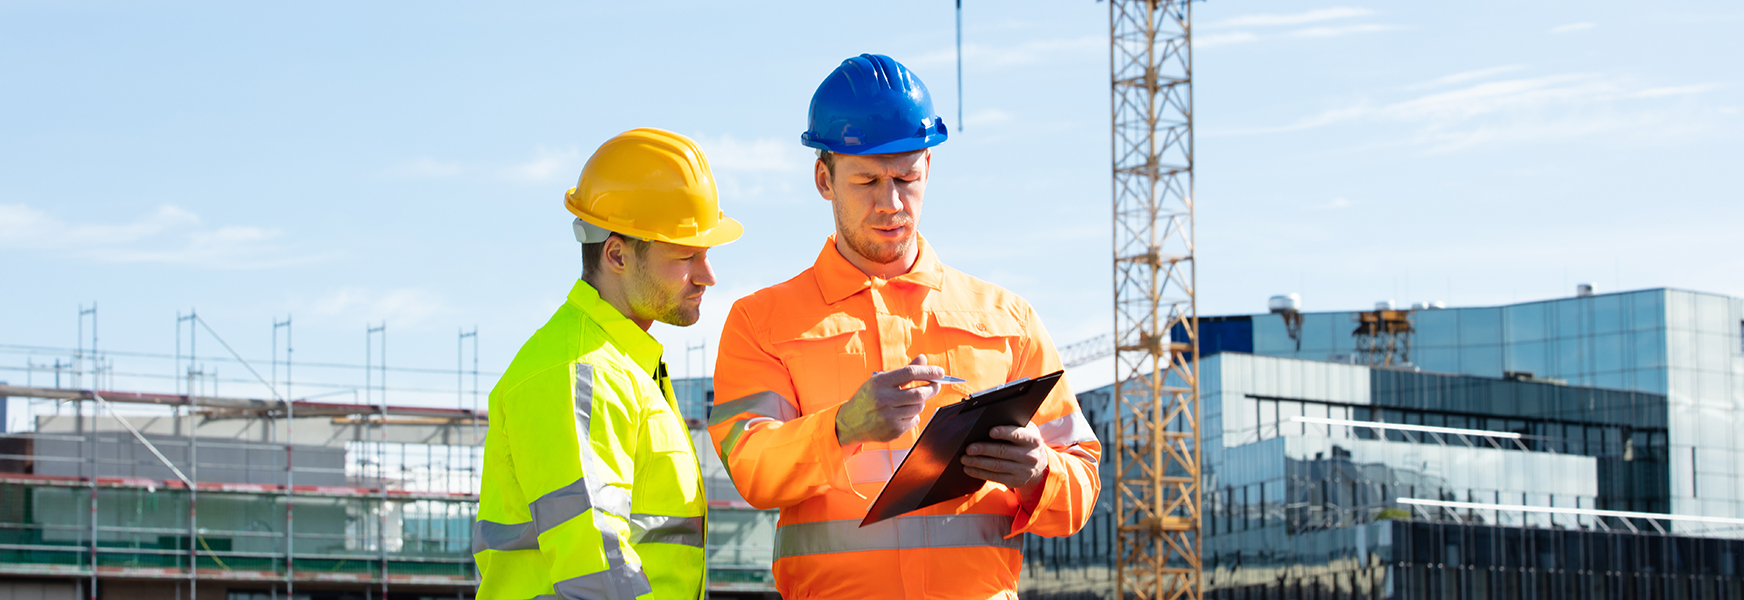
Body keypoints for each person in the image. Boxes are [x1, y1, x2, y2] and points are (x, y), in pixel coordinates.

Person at [708, 54, 1101, 599]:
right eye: (866, 180)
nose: (890, 203)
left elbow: (1081, 477)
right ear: (824, 179)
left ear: (928, 171)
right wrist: (843, 427)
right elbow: (751, 467)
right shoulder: (762, 322)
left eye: (905, 178)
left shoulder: (1008, 319)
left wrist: (1039, 471)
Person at [474, 128, 741, 600]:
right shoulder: (582, 371)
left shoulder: (624, 366)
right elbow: (597, 567)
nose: (708, 275)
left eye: (707, 253)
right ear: (617, 254)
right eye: (686, 255)